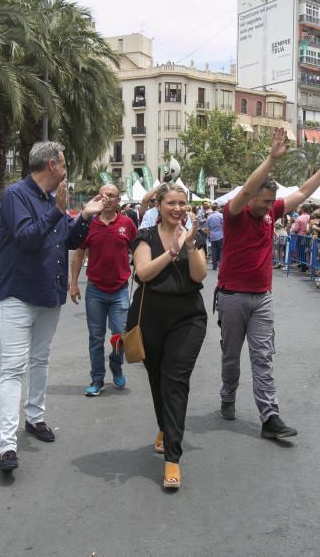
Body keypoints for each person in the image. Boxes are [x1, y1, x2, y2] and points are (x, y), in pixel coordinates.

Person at [217, 127, 320, 439]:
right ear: (253, 197)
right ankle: (228, 395)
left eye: (272, 201)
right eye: (264, 200)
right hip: (231, 297)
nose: (268, 206)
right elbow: (245, 190)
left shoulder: (272, 210)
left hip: (262, 298)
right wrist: (271, 159)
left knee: (263, 357)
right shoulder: (234, 213)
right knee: (231, 357)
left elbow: (302, 192)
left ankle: (270, 416)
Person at [0, 141, 104, 473]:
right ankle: (6, 445)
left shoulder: (49, 200)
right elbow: (27, 238)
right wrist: (59, 210)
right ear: (52, 164)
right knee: (13, 368)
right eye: (65, 162)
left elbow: (67, 239)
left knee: (40, 361)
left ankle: (35, 418)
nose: (67, 168)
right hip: (18, 295)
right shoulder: (17, 195)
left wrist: (83, 216)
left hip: (48, 294)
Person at [129, 182, 206, 489]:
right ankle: (164, 425)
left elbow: (199, 275)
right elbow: (143, 272)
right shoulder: (145, 236)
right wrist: (171, 250)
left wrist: (188, 246)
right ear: (159, 206)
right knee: (157, 378)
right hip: (151, 319)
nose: (178, 208)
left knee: (175, 380)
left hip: (188, 318)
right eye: (172, 203)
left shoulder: (192, 237)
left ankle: (172, 457)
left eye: (182, 203)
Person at [70, 183, 137, 396]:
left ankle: (116, 365)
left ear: (118, 200)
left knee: (119, 335)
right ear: (97, 198)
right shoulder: (88, 224)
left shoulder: (127, 223)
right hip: (95, 290)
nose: (107, 198)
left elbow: (138, 249)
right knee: (96, 338)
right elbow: (79, 253)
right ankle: (97, 379)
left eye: (112, 195)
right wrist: (73, 283)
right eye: (103, 194)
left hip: (119, 290)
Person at [206, 202, 224, 270]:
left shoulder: (209, 217)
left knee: (214, 251)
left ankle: (214, 266)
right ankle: (220, 265)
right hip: (220, 235)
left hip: (212, 235)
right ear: (217, 208)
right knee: (221, 250)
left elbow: (207, 228)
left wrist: (208, 235)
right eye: (219, 208)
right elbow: (224, 225)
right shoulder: (221, 215)